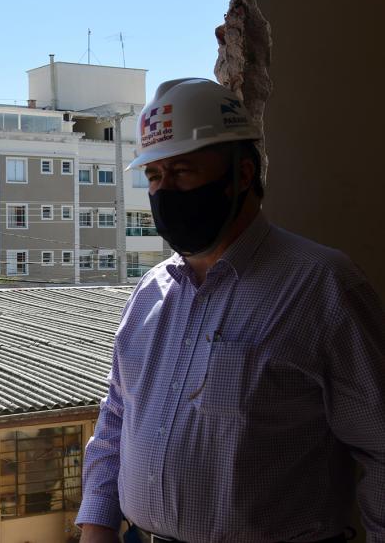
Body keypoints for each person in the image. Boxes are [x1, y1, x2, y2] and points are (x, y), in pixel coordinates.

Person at [76, 78, 385, 543]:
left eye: (182, 172)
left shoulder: (322, 285)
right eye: (155, 177)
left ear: (241, 174)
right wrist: (97, 524)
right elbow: (117, 417)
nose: (165, 192)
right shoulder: (150, 292)